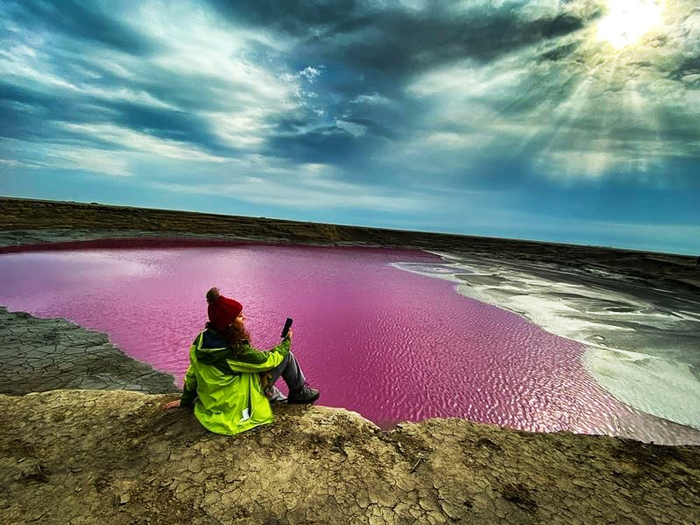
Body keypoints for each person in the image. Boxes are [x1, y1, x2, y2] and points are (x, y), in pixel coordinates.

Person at [161, 287, 320, 435]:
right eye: (239, 316)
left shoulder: (201, 341)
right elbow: (267, 361)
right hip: (234, 408)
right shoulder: (234, 350)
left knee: (267, 384)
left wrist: (186, 400)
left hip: (214, 403)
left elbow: (192, 374)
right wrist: (286, 342)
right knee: (286, 356)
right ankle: (299, 393)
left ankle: (277, 396)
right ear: (228, 323)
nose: (245, 317)